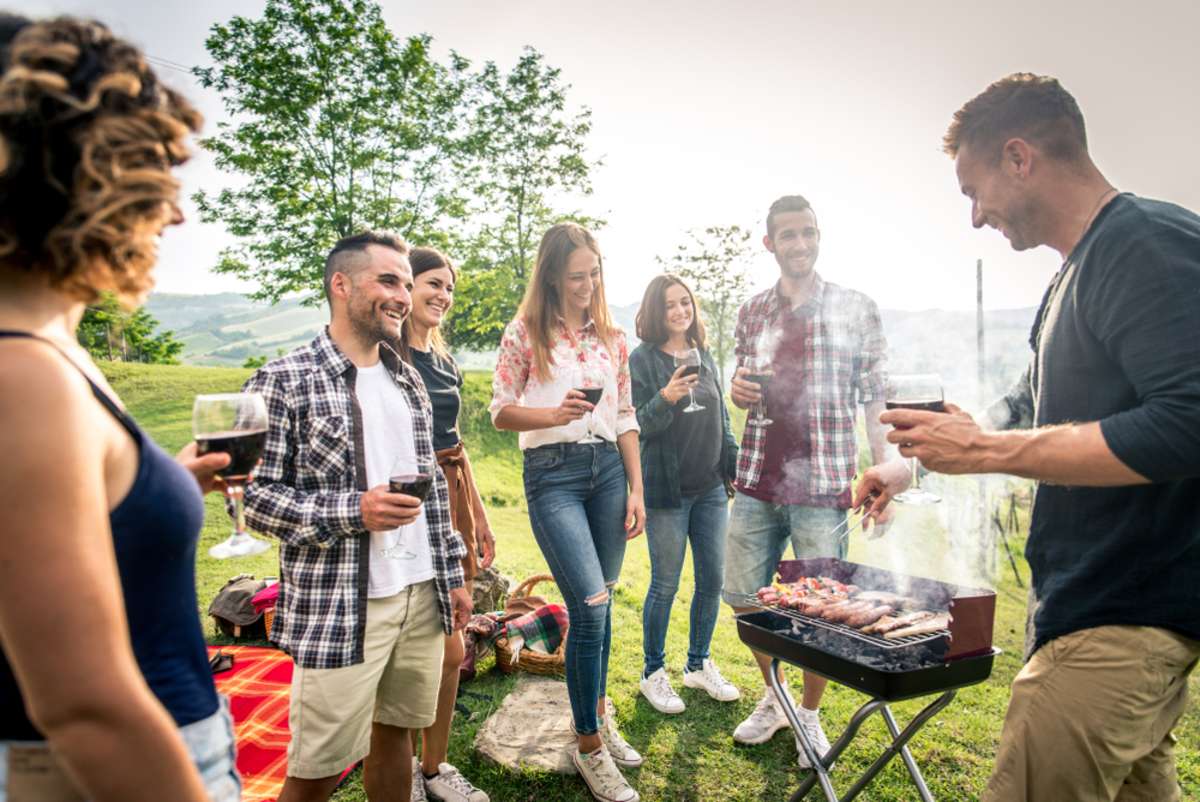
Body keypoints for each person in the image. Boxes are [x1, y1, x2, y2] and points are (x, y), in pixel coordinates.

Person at [856, 72, 1200, 802]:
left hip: (1119, 620)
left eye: (974, 192)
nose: (976, 218)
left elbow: (1189, 422)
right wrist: (917, 464)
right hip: (1115, 622)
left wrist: (982, 453)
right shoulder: (1074, 274)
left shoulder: (1144, 244)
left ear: (1019, 157)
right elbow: (1027, 405)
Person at [0, 15, 239, 802]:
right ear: (83, 177)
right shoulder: (21, 374)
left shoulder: (48, 348)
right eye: (155, 179)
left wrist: (152, 485)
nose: (175, 217)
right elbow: (86, 706)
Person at [242, 231, 472, 802]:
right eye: (388, 281)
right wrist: (356, 510)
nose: (403, 294)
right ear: (340, 285)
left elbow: (434, 499)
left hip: (421, 592)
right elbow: (255, 499)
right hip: (343, 604)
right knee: (317, 769)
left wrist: (452, 575)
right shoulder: (283, 380)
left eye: (405, 282)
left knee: (395, 735)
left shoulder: (407, 379)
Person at [723, 195, 908, 767]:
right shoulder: (753, 309)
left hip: (824, 484)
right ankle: (774, 697)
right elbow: (740, 377)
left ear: (819, 235)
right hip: (755, 479)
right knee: (746, 602)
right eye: (788, 235)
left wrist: (884, 471)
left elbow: (876, 394)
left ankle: (808, 715)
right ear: (769, 243)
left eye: (808, 233)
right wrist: (736, 387)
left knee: (820, 612)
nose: (799, 244)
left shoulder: (856, 307)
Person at [491, 222, 645, 802]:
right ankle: (588, 749)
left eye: (595, 272)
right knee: (590, 604)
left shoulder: (612, 336)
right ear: (553, 275)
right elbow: (501, 412)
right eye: (577, 275)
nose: (588, 284)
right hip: (552, 476)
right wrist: (552, 416)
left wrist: (637, 488)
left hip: (609, 472)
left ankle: (600, 719)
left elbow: (625, 414)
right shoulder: (524, 332)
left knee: (602, 603)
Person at [398, 246, 495, 802]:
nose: (443, 296)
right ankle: (404, 762)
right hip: (408, 499)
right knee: (413, 642)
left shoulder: (443, 360)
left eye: (448, 288)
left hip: (450, 494)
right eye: (433, 283)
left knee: (453, 648)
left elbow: (456, 445)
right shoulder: (388, 358)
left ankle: (434, 769)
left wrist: (478, 513)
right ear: (406, 287)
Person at [629, 274, 740, 715]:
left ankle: (697, 664)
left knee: (712, 581)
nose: (679, 311)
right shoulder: (642, 360)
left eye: (685, 302)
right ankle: (652, 673)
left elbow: (724, 419)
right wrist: (666, 397)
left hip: (711, 489)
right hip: (667, 493)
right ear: (656, 311)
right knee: (665, 584)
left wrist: (734, 467)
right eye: (670, 305)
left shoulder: (705, 356)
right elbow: (635, 424)